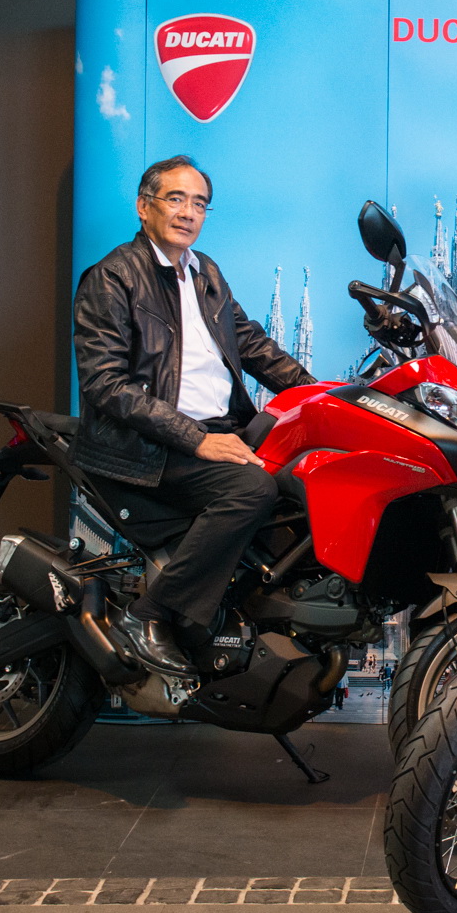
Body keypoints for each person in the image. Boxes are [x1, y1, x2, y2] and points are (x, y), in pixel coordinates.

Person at [71, 154, 314, 675]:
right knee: (252, 489)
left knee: (308, 473)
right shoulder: (112, 277)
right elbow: (104, 383)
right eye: (175, 199)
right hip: (149, 445)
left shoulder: (206, 274)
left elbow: (254, 346)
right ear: (144, 206)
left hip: (217, 429)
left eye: (199, 203)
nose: (188, 212)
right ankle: (149, 615)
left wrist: (323, 396)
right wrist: (196, 439)